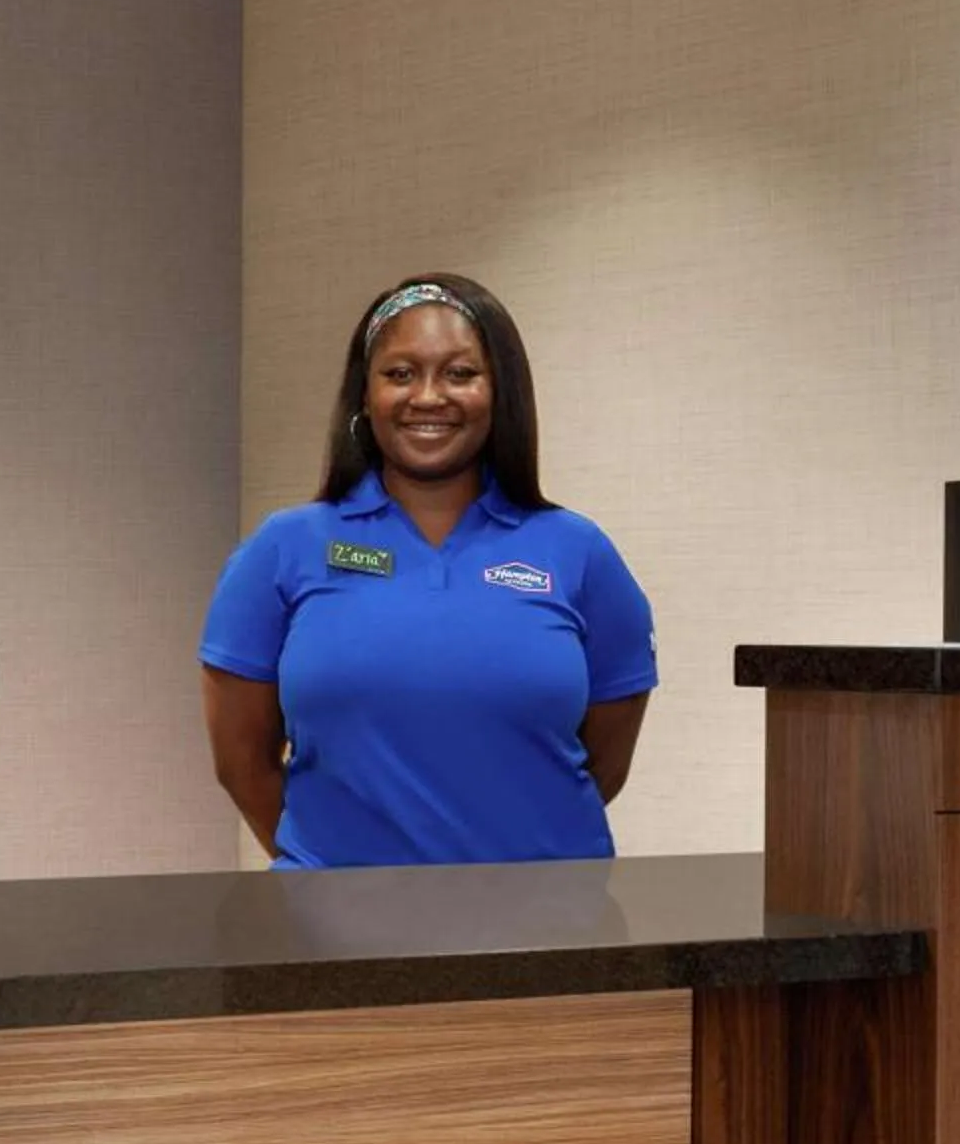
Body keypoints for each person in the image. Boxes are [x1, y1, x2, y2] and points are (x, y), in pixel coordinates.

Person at [199, 273, 654, 867]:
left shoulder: (578, 552)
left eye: (460, 373)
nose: (429, 396)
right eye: (400, 373)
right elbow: (242, 764)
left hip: (549, 927)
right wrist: (329, 871)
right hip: (335, 929)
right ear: (366, 394)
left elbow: (605, 762)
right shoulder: (283, 550)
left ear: (500, 393)